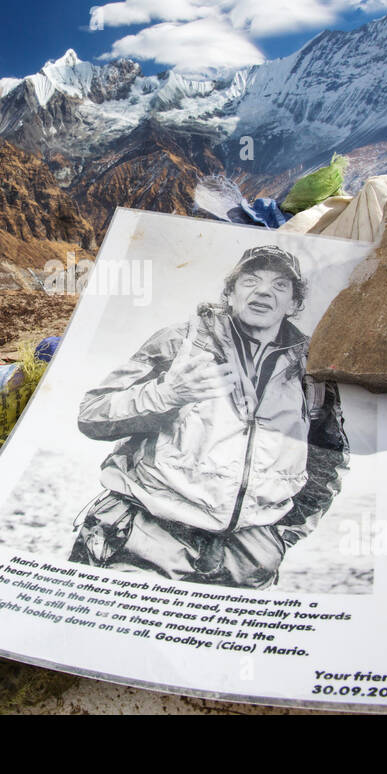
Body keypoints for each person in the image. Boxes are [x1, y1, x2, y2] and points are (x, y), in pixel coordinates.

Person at [70, 245, 348, 589]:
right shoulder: (180, 342)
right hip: (147, 537)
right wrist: (166, 395)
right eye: (250, 281)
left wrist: (279, 537)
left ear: (293, 304)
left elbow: (328, 460)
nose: (263, 291)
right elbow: (93, 414)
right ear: (230, 293)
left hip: (245, 560)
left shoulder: (310, 369)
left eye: (279, 285)